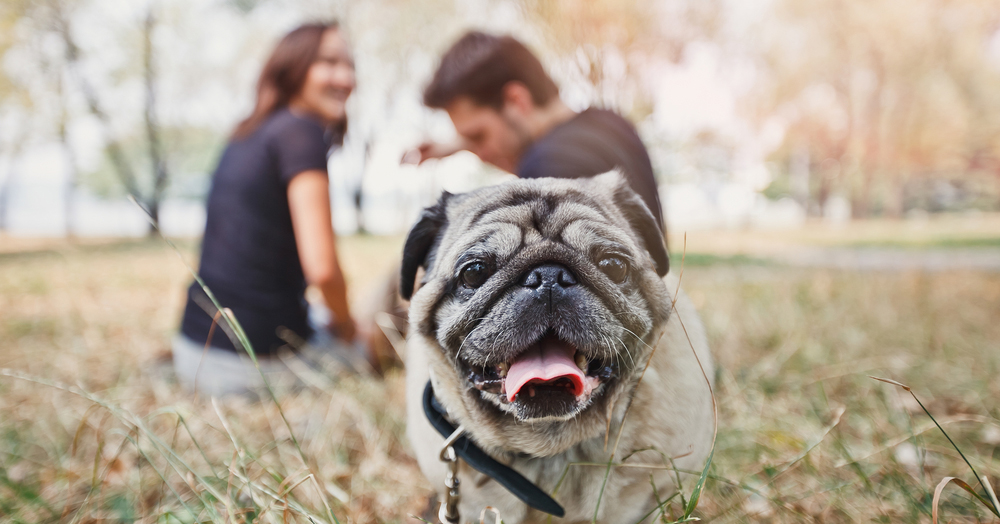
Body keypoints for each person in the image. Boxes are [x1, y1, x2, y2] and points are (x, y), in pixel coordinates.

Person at [174, 22, 366, 396]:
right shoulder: (302, 133)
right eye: (328, 62)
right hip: (251, 367)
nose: (345, 77)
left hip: (194, 351)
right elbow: (323, 271)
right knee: (374, 338)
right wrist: (348, 330)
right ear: (292, 67)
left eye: (350, 65)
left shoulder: (251, 131)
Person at [409, 31, 665, 232]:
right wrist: (461, 143)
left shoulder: (546, 166)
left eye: (478, 136)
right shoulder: (612, 123)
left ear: (516, 101)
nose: (481, 155)